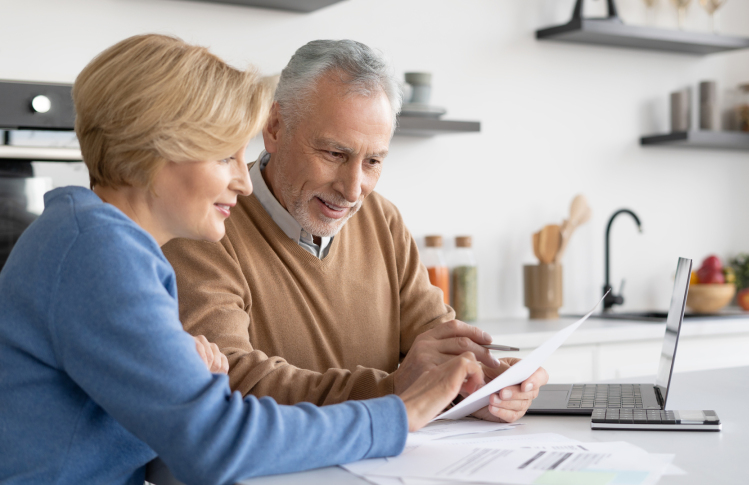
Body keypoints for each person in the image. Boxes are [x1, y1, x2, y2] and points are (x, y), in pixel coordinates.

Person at [0, 34, 486, 485]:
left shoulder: (95, 239)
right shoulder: (98, 252)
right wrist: (398, 413)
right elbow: (216, 443)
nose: (244, 180)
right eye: (224, 157)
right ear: (156, 152)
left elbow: (176, 444)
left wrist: (198, 391)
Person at [162, 39, 548, 422]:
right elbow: (233, 378)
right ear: (275, 127)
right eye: (334, 154)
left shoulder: (383, 220)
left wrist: (486, 383)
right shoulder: (204, 224)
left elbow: (437, 340)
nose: (352, 189)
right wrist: (394, 391)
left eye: (374, 161)